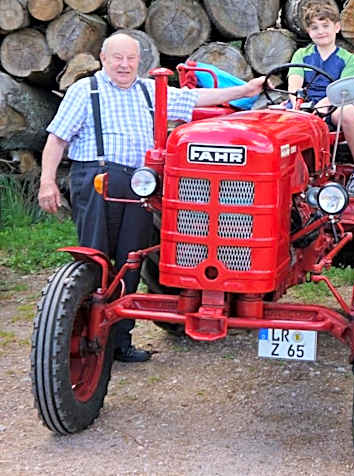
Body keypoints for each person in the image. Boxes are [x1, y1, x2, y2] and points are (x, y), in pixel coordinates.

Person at [38, 32, 265, 363]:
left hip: (143, 185)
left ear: (139, 61)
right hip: (101, 179)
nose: (125, 64)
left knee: (132, 259)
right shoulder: (85, 91)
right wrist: (47, 182)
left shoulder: (148, 90)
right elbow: (57, 139)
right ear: (103, 58)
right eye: (118, 58)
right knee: (96, 261)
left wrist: (244, 91)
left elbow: (196, 100)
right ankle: (86, 340)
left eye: (131, 58)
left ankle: (119, 343)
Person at [288, 2, 354, 197]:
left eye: (325, 26)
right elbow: (294, 83)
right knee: (275, 116)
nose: (321, 31)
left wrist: (323, 105)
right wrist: (296, 104)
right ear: (308, 32)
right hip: (306, 102)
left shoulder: (347, 58)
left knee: (347, 112)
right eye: (315, 27)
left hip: (337, 100)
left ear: (337, 27)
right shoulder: (302, 54)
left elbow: (343, 89)